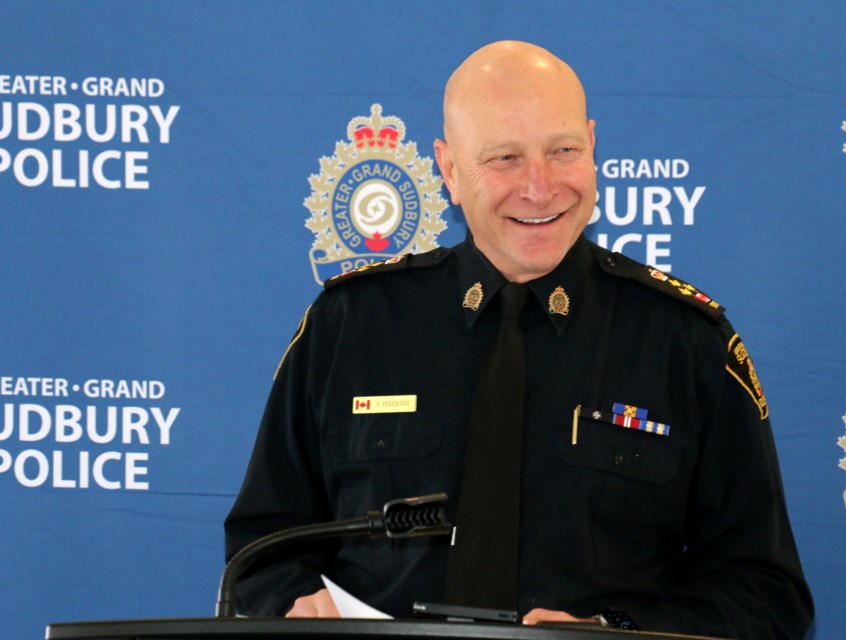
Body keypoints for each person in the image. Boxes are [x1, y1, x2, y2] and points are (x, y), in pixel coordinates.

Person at [225, 40, 814, 639]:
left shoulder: (685, 342)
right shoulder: (350, 326)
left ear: (593, 146)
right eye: (504, 158)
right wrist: (293, 602)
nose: (540, 187)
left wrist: (619, 631)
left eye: (563, 150)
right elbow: (263, 544)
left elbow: (766, 593)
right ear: (449, 170)